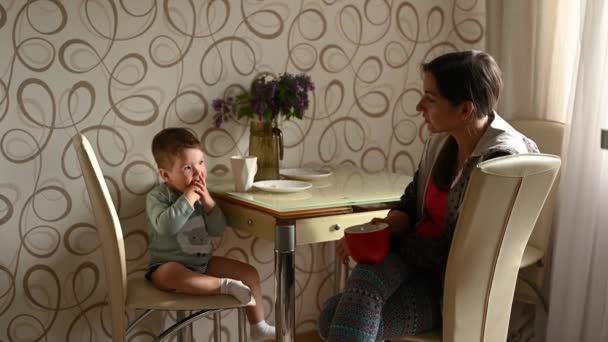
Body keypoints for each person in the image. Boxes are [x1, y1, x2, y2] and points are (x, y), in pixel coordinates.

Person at [318, 50, 539, 341]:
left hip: (451, 288)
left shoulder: (500, 163)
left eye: (430, 99)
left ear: (465, 110)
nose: (419, 106)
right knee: (344, 308)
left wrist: (387, 239)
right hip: (417, 268)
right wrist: (377, 229)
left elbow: (460, 253)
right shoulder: (440, 143)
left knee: (338, 315)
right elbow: (411, 203)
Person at [146, 127, 275, 341]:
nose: (198, 173)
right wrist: (187, 199)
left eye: (201, 163)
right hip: (166, 265)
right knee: (169, 274)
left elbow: (217, 230)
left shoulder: (201, 194)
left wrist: (209, 204)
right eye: (188, 167)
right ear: (165, 175)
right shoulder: (158, 197)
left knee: (250, 274)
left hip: (203, 263)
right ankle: (224, 286)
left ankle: (258, 325)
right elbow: (167, 227)